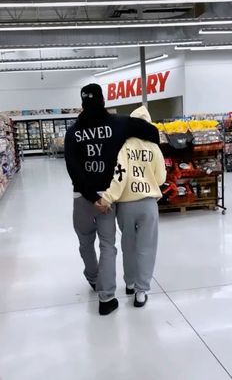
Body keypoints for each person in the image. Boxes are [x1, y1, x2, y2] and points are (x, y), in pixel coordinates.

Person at [64, 83, 160, 315]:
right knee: (108, 246)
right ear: (103, 101)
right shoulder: (118, 124)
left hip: (81, 199)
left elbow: (72, 168)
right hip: (107, 200)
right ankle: (106, 299)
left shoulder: (73, 132)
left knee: (85, 242)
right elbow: (153, 133)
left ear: (82, 103)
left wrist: (88, 195)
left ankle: (93, 277)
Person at [100, 105, 166, 307]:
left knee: (128, 246)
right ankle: (141, 291)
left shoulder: (124, 146)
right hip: (148, 205)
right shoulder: (155, 148)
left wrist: (108, 197)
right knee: (147, 247)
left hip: (126, 206)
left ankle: (129, 283)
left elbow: (119, 176)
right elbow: (161, 177)